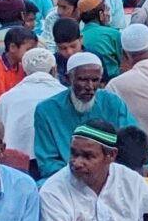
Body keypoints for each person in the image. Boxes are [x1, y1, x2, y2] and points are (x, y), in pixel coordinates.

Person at [30, 52, 136, 181]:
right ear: (69, 79)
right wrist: (79, 174)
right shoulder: (47, 110)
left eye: (95, 80)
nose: (89, 87)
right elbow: (48, 162)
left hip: (111, 176)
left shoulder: (113, 103)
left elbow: (132, 140)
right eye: (83, 80)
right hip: (66, 178)